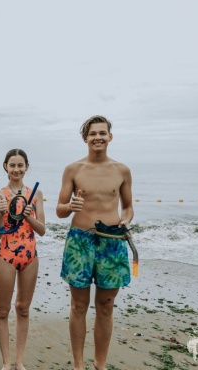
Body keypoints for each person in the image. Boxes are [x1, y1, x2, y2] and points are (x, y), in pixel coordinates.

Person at [56, 115, 134, 370]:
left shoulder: (122, 170)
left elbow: (128, 207)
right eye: (92, 133)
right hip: (80, 242)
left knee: (106, 306)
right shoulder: (73, 169)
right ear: (85, 138)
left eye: (102, 133)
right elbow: (59, 210)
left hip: (112, 241)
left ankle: (100, 364)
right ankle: (79, 365)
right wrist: (71, 206)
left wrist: (126, 221)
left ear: (110, 136)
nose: (98, 137)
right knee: (79, 306)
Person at [0, 149, 46, 370]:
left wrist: (29, 216)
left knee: (23, 308)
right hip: (6, 255)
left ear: (26, 167)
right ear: (5, 166)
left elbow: (41, 230)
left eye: (20, 165)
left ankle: (19, 361)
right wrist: (0, 213)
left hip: (30, 256)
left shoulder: (35, 194)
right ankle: (6, 361)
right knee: (2, 310)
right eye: (12, 165)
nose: (16, 169)